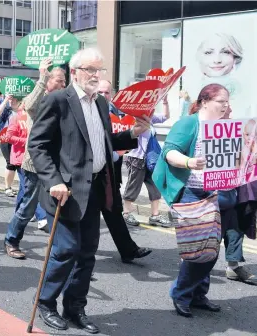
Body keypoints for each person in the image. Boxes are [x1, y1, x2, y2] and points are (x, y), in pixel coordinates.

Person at [28, 48, 150, 332]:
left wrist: (131, 135)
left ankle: (75, 307)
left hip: (95, 188)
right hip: (65, 191)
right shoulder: (58, 100)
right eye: (91, 70)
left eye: (100, 70)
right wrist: (54, 180)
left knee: (87, 253)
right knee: (66, 250)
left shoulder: (100, 105)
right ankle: (46, 303)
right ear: (75, 72)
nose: (97, 75)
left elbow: (103, 142)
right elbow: (38, 145)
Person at [153, 83, 230, 318]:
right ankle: (181, 294)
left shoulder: (223, 126)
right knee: (197, 251)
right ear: (205, 101)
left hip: (213, 192)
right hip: (189, 192)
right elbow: (170, 152)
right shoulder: (189, 123)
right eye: (221, 101)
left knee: (211, 249)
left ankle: (197, 295)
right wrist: (189, 162)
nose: (226, 106)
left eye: (227, 102)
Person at [4, 58, 66, 259]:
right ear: (48, 81)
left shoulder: (64, 101)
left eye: (65, 81)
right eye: (58, 80)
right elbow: (28, 105)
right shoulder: (39, 100)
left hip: (59, 164)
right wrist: (42, 77)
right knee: (28, 208)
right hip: (35, 164)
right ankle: (11, 240)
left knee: (60, 210)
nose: (62, 85)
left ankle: (63, 253)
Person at [97, 79, 152, 263]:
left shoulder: (114, 113)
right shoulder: (89, 110)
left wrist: (133, 133)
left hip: (110, 173)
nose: (103, 96)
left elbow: (112, 139)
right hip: (88, 176)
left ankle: (128, 250)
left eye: (106, 92)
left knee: (114, 212)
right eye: (100, 92)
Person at [122, 95, 172, 228]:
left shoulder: (149, 118)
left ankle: (155, 216)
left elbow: (165, 117)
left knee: (155, 185)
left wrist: (165, 101)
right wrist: (146, 122)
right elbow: (134, 133)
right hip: (136, 158)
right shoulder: (132, 118)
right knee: (134, 185)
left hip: (151, 159)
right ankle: (126, 213)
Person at [0, 95, 18, 197]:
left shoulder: (24, 110)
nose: (12, 101)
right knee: (10, 163)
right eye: (11, 99)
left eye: (15, 99)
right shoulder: (6, 110)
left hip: (19, 140)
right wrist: (5, 101)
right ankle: (7, 187)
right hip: (5, 139)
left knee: (19, 165)